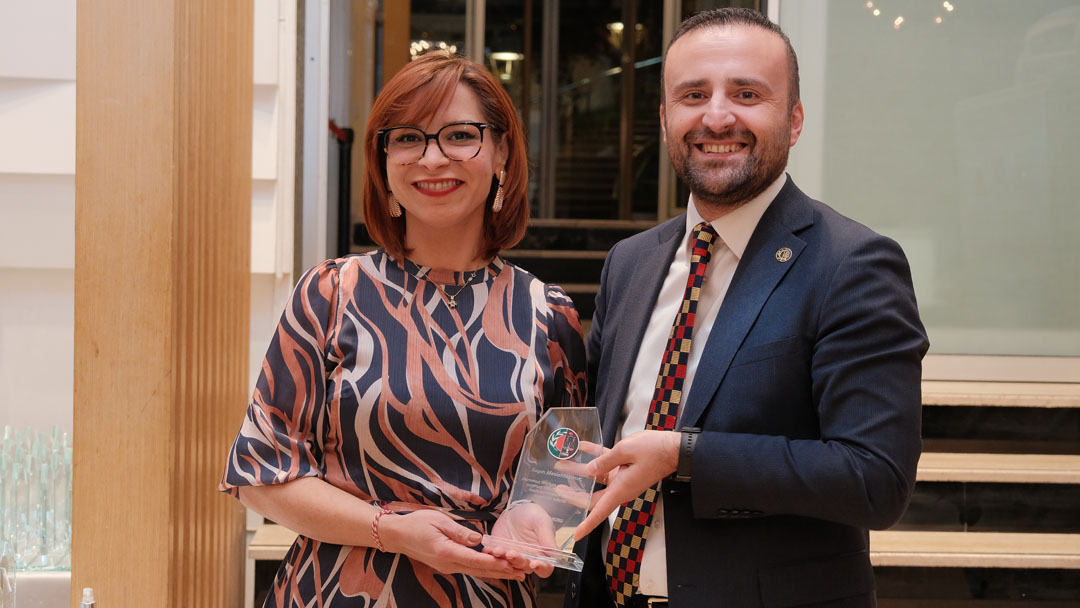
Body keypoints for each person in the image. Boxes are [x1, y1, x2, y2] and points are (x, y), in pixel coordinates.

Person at [566, 8, 929, 608]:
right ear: (665, 120)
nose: (716, 117)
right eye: (693, 95)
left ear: (794, 119)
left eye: (747, 94)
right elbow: (597, 439)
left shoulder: (853, 264)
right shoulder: (629, 262)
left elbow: (875, 479)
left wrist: (683, 455)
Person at [220, 52, 588, 607]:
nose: (433, 158)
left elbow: (566, 475)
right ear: (384, 160)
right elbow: (259, 476)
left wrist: (535, 515)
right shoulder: (330, 294)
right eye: (409, 138)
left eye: (460, 135)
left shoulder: (549, 315)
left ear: (502, 152)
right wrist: (391, 531)